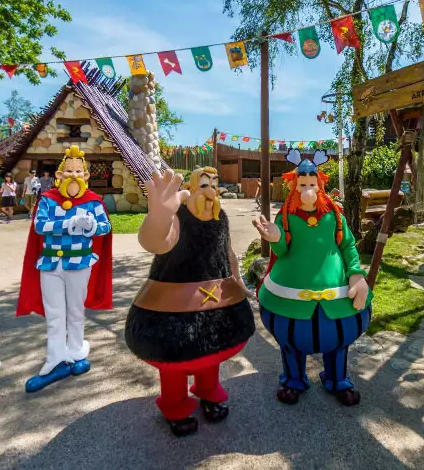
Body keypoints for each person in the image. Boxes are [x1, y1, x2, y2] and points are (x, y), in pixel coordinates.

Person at [129, 168, 255, 437]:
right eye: (204, 184)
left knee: (211, 354)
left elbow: (228, 253)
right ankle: (175, 406)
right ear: (190, 189)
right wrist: (158, 218)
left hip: (217, 304)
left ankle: (208, 390)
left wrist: (240, 283)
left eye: (215, 184)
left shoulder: (221, 217)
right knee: (175, 360)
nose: (211, 190)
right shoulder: (178, 218)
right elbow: (156, 243)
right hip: (172, 310)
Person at [252, 150, 370, 406]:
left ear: (320, 185)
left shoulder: (335, 214)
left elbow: (347, 245)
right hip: (290, 296)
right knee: (291, 342)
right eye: (302, 184)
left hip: (336, 295)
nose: (308, 188)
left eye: (312, 184)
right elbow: (282, 250)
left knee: (339, 341)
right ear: (294, 185)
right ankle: (294, 379)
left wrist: (356, 274)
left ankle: (338, 379)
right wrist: (275, 239)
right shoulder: (285, 214)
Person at [17, 145, 114, 393]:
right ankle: (55, 359)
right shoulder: (47, 200)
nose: (73, 175)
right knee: (54, 315)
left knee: (75, 311)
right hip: (50, 264)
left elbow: (105, 228)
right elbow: (41, 226)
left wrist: (92, 225)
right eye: (68, 170)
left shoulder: (94, 202)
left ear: (86, 176)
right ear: (59, 176)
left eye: (78, 171)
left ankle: (76, 351)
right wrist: (71, 223)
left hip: (79, 262)